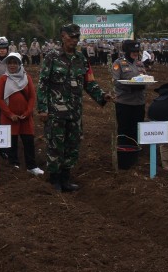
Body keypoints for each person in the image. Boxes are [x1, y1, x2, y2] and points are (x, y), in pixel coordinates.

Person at [37, 23, 112, 192]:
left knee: (72, 146)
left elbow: (89, 83)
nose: (75, 40)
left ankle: (66, 179)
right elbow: (43, 84)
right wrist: (42, 108)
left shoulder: (81, 59)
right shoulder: (52, 57)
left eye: (77, 37)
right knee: (55, 145)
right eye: (71, 37)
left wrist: (102, 96)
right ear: (63, 36)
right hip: (56, 112)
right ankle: (54, 180)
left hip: (74, 112)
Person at [0, 53, 43, 175]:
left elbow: (32, 96)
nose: (12, 65)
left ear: (19, 64)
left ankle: (32, 166)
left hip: (25, 117)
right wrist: (10, 114)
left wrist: (28, 112)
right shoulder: (3, 79)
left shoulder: (27, 78)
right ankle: (14, 164)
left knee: (28, 140)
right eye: (10, 63)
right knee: (12, 141)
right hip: (9, 117)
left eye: (15, 63)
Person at [111, 40, 147, 148]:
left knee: (137, 128)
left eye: (137, 51)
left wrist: (144, 83)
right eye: (133, 51)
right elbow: (115, 81)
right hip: (124, 102)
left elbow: (145, 78)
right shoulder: (118, 63)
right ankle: (123, 150)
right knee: (124, 129)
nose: (135, 53)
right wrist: (131, 85)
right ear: (126, 51)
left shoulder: (140, 63)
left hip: (139, 102)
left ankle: (136, 148)